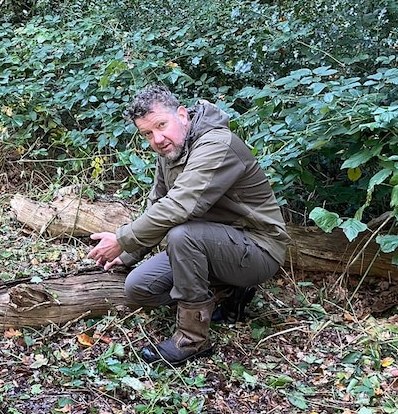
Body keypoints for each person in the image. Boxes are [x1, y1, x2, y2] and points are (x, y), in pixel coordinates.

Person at [87, 85, 289, 365]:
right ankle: (229, 292)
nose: (157, 139)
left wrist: (122, 239)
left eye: (161, 125)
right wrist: (128, 255)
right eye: (147, 133)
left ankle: (192, 340)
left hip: (257, 249)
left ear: (182, 115)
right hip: (208, 245)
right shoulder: (170, 151)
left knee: (182, 235)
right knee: (139, 287)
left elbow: (180, 205)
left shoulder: (218, 143)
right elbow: (158, 203)